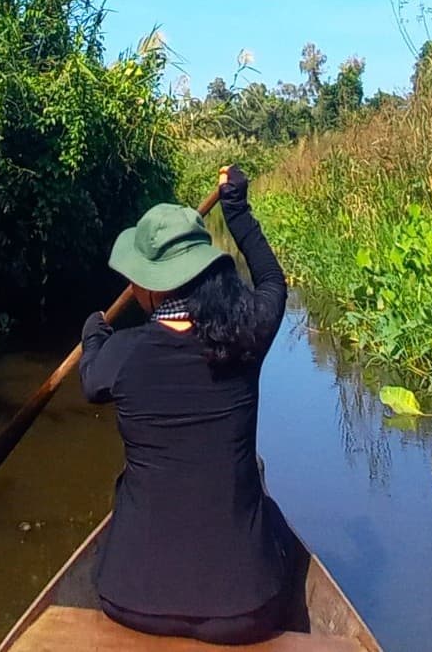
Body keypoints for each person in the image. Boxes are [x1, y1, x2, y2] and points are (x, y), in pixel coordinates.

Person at [78, 165, 306, 645]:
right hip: (246, 607)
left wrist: (94, 330)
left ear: (153, 287)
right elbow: (271, 281)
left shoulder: (121, 355)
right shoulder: (247, 338)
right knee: (276, 525)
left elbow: (91, 380)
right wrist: (237, 210)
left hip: (130, 598)